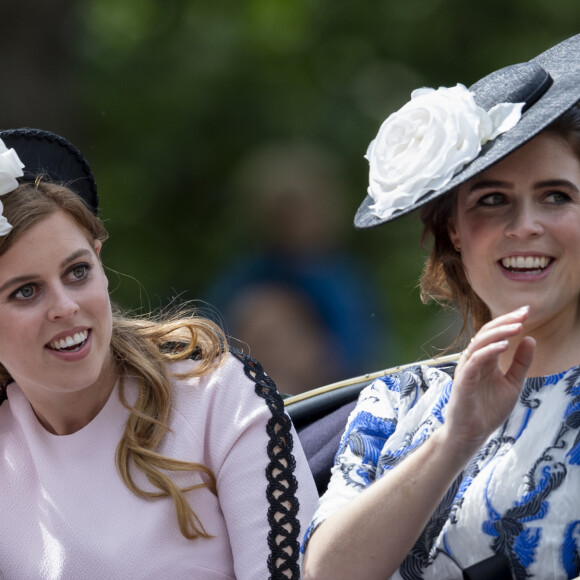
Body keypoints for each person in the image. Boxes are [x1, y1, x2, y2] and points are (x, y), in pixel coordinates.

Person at [301, 33, 580, 580]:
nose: (525, 225)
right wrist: (456, 440)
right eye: (492, 200)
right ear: (453, 230)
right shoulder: (397, 401)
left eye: (557, 196)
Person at [0, 128, 318, 579]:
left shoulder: (215, 396)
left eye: (77, 272)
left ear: (100, 260)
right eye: (26, 291)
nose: (66, 307)